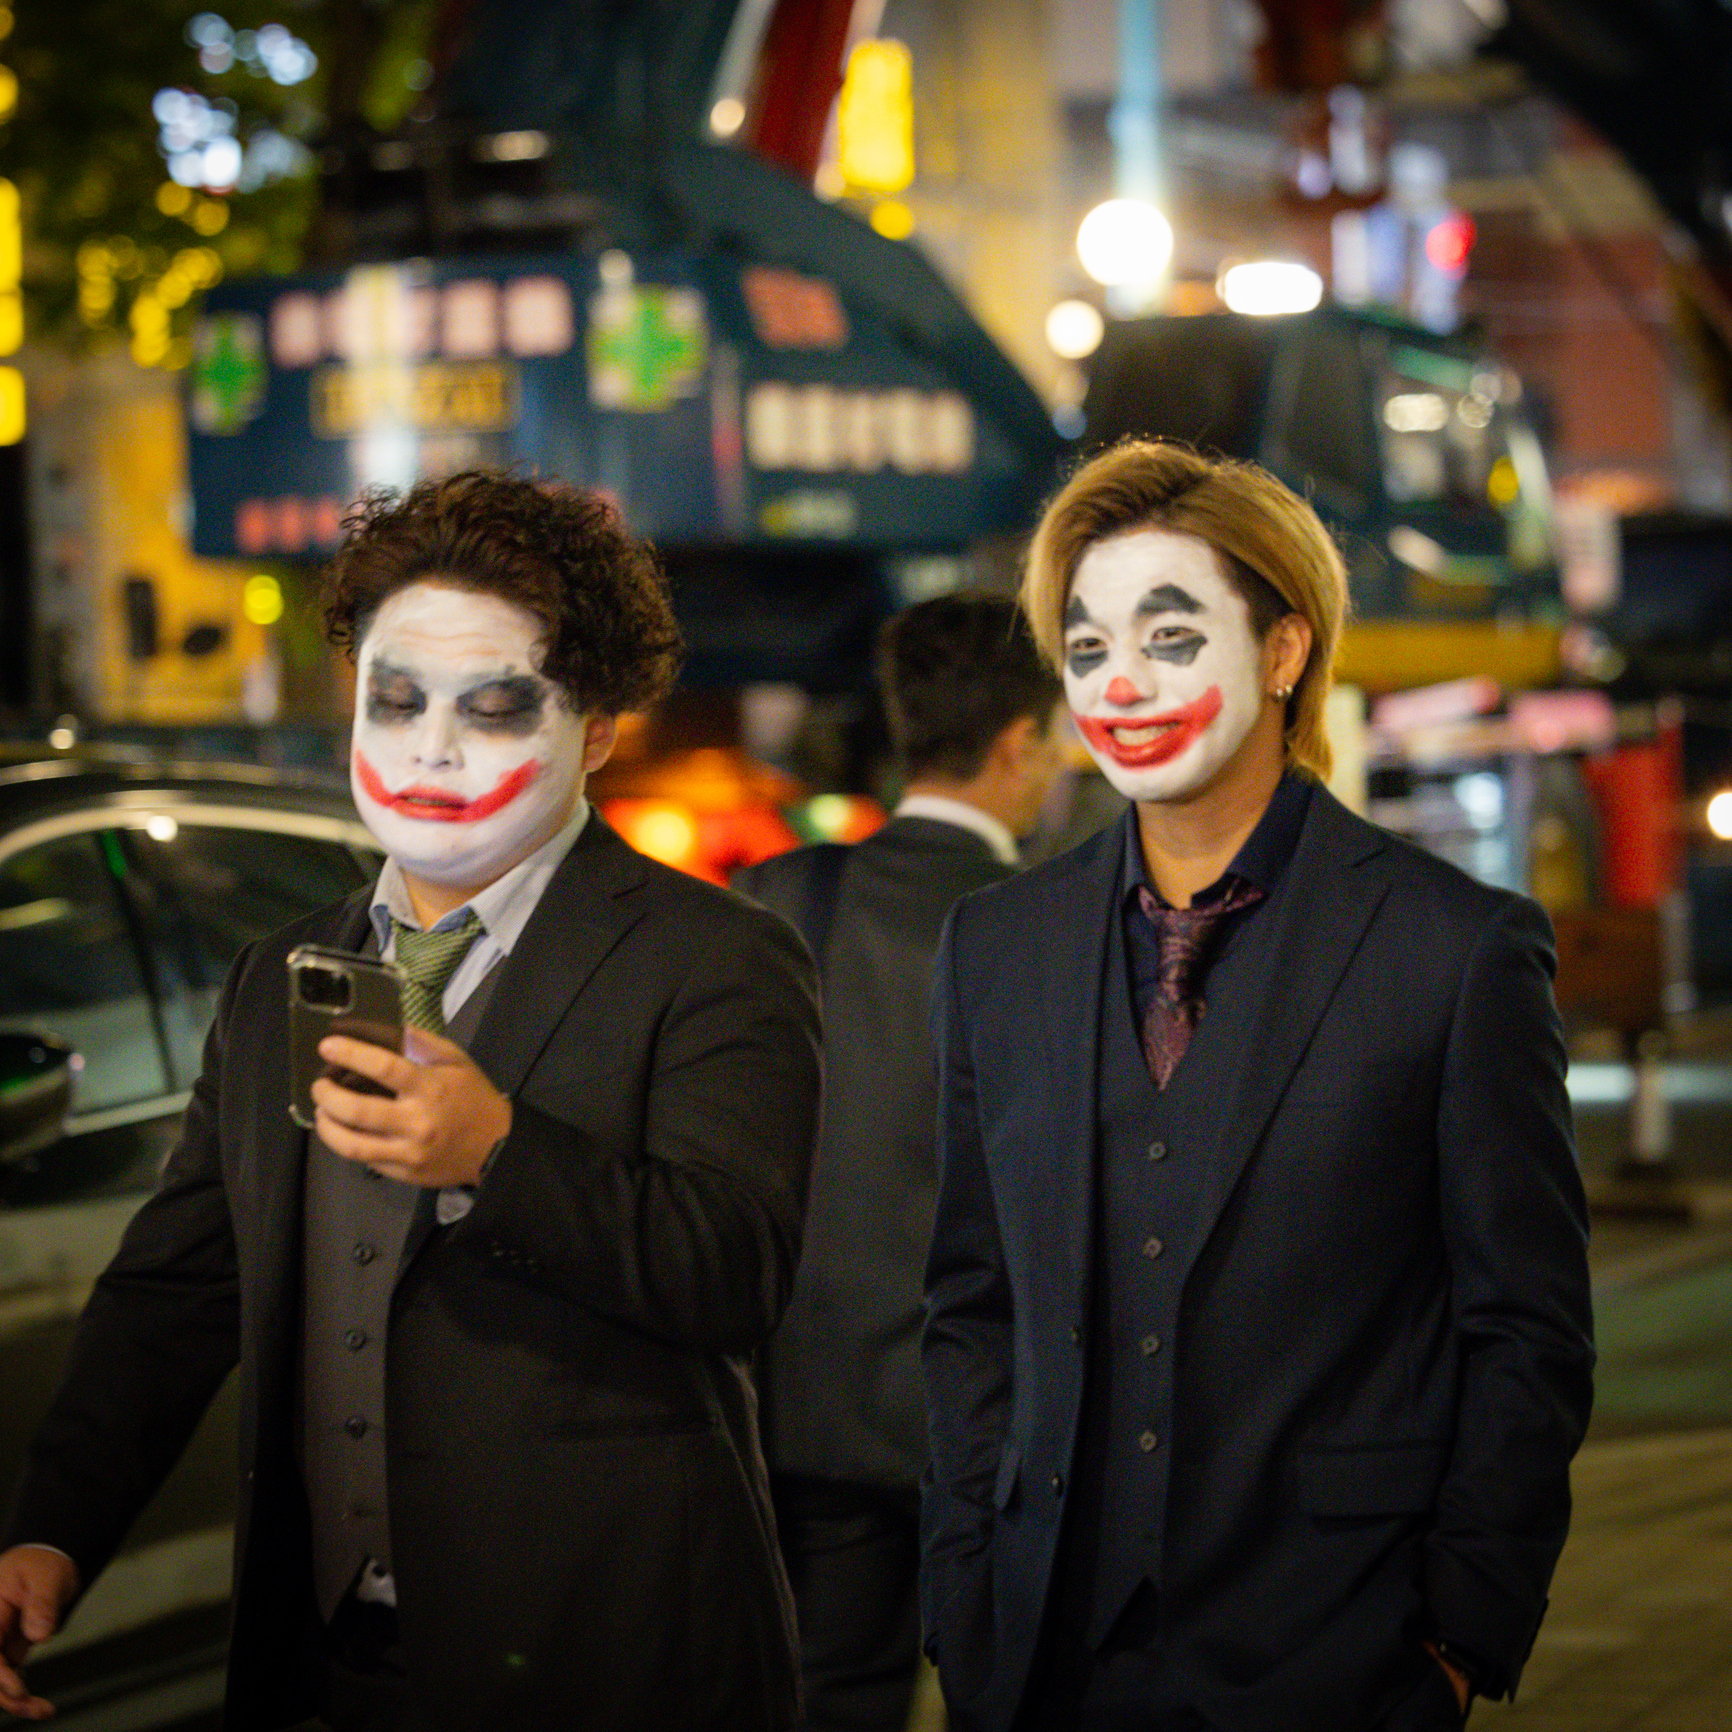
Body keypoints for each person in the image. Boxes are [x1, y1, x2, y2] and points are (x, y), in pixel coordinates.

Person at [0, 472, 822, 1732]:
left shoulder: (714, 957)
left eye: (495, 710)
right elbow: (178, 1286)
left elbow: (736, 1269)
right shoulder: (279, 970)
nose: (432, 747)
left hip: (607, 1662)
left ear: (594, 726)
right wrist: (53, 1531)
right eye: (396, 700)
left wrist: (497, 1152)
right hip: (328, 1665)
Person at [919, 441, 1594, 1732]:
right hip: (1040, 1663)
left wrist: (1460, 1635)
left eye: (1173, 639)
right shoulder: (995, 947)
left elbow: (1530, 1331)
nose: (1123, 683)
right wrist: (966, 1593)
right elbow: (969, 1298)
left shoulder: (1454, 950)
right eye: (1089, 648)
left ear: (1284, 651)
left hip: (1341, 1656)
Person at [737, 592, 1065, 1732]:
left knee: (828, 1693)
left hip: (788, 1404)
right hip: (978, 1422)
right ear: (1019, 741)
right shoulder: (1040, 926)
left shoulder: (783, 895)